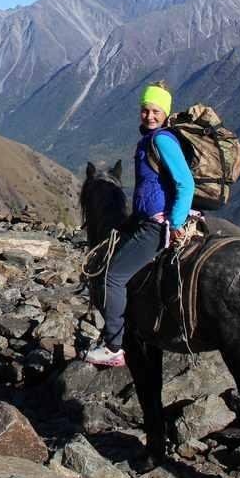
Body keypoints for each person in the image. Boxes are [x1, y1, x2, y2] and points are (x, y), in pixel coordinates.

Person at [84, 81, 195, 367]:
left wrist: (176, 222)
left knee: (112, 276)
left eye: (156, 111)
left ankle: (113, 346)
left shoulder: (161, 140)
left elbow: (185, 182)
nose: (149, 116)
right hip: (146, 219)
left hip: (158, 226)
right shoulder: (149, 140)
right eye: (146, 110)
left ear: (165, 113)